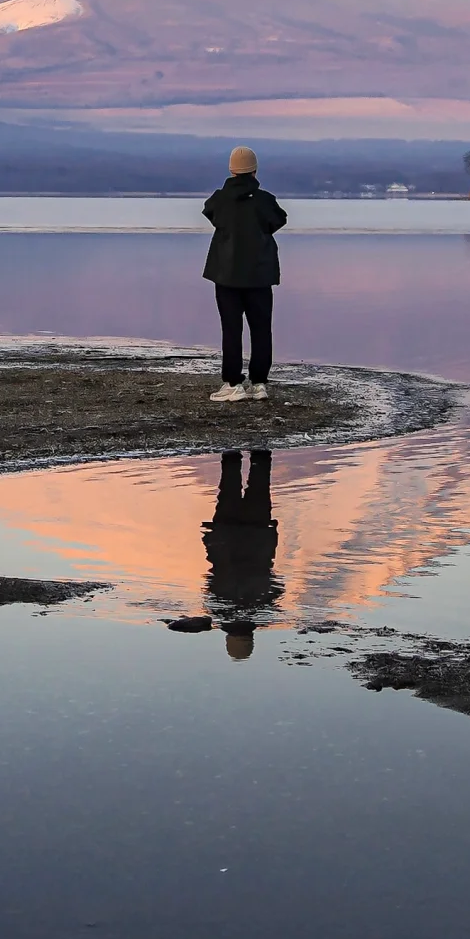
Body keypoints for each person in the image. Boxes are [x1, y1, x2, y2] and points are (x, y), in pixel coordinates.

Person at [202, 146, 287, 402]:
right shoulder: (265, 200)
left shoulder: (219, 199)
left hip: (226, 274)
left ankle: (233, 383)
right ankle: (259, 383)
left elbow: (211, 214)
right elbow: (278, 221)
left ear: (231, 169)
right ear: (254, 170)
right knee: (261, 329)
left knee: (231, 328)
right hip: (260, 274)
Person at [202, 450, 282, 658]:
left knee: (259, 486)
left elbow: (277, 585)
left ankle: (259, 454)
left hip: (257, 537)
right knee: (229, 488)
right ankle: (232, 453)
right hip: (228, 536)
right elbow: (210, 581)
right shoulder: (217, 611)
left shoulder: (264, 612)